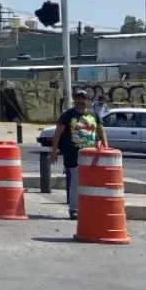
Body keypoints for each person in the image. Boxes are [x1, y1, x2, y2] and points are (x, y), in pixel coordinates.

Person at [49, 90, 108, 220]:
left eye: (83, 99)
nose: (80, 101)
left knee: (91, 181)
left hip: (91, 154)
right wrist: (54, 151)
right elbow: (57, 134)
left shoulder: (93, 115)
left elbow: (101, 131)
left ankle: (88, 207)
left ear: (88, 101)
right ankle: (74, 209)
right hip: (73, 153)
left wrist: (106, 148)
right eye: (78, 99)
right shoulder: (67, 115)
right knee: (76, 180)